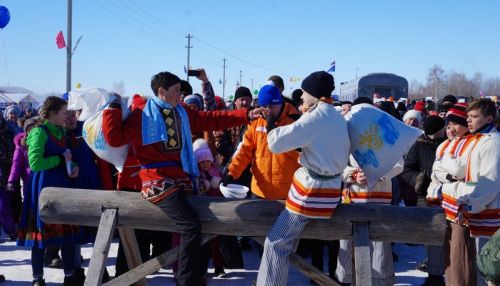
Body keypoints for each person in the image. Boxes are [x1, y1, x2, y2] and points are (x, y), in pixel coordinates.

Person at [102, 71, 264, 286]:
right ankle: (187, 280)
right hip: (156, 180)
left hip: (181, 178)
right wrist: (112, 107)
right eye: (176, 90)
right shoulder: (142, 113)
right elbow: (114, 138)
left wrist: (246, 115)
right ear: (161, 91)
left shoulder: (182, 112)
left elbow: (210, 119)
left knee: (204, 223)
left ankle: (197, 276)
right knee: (190, 227)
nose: (181, 94)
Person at [256, 71, 349, 286]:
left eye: (305, 93)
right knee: (290, 242)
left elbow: (276, 144)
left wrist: (270, 126)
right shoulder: (336, 116)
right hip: (332, 192)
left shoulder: (315, 117)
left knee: (275, 243)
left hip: (311, 194)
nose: (302, 98)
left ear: (314, 94)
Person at [17, 96, 81, 286]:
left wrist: (73, 165)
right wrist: (60, 160)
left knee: (67, 235)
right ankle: (38, 278)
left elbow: (67, 155)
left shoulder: (61, 131)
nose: (66, 116)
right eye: (63, 113)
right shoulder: (39, 132)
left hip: (63, 186)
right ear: (53, 113)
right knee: (41, 237)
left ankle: (69, 276)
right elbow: (35, 163)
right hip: (43, 188)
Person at [223, 85, 301, 200]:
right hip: (259, 190)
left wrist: (275, 134)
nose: (268, 111)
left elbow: (301, 155)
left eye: (272, 106)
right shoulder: (256, 122)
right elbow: (244, 151)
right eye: (264, 106)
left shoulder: (295, 122)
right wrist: (231, 173)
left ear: (280, 103)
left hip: (287, 192)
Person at [453, 99, 499, 286]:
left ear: (489, 118)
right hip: (482, 212)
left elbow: (490, 183)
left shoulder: (493, 144)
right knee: (483, 265)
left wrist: (471, 207)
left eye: (474, 117)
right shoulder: (480, 141)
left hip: (490, 212)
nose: (469, 121)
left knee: (490, 266)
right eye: (468, 117)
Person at [401, 116, 447, 286]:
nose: (434, 136)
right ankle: (435, 275)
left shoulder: (450, 143)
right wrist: (418, 180)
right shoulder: (419, 144)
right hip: (426, 197)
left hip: (451, 195)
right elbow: (407, 169)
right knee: (433, 237)